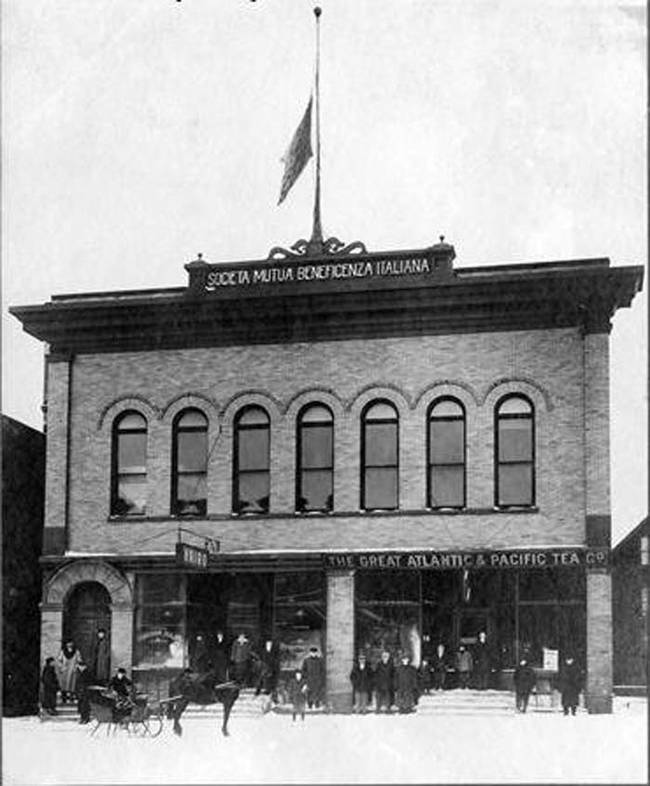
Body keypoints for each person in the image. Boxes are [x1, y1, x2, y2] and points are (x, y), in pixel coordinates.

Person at [255, 638, 280, 703]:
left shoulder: (274, 651)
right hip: (264, 668)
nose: (268, 645)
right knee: (261, 680)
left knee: (272, 684)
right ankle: (257, 692)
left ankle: (274, 698)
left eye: (270, 644)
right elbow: (261, 659)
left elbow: (276, 660)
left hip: (272, 668)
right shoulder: (263, 651)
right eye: (267, 644)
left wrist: (274, 668)